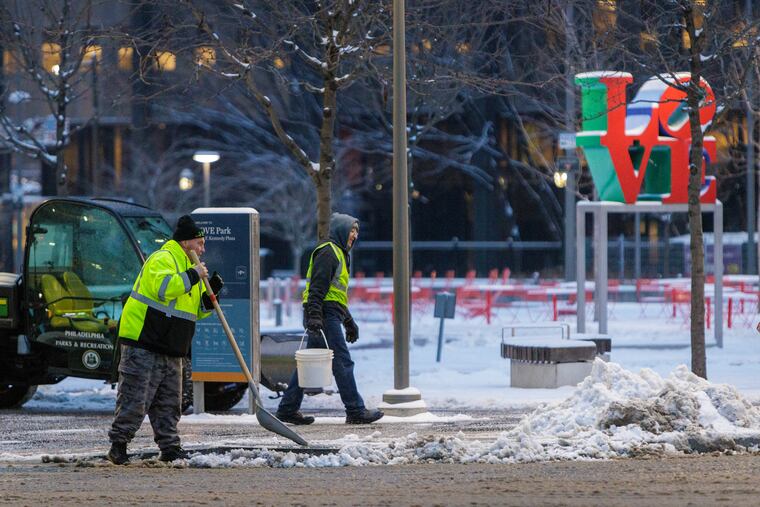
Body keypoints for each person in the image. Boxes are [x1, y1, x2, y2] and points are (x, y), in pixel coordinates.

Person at [107, 215, 223, 465]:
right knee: (135, 398)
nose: (202, 250)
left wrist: (209, 296)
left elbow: (195, 311)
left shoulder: (190, 269)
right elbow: (164, 288)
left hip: (172, 346)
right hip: (145, 341)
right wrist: (193, 275)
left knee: (169, 402)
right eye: (199, 243)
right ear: (185, 242)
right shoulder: (163, 259)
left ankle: (170, 447)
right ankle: (119, 445)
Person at [276, 212, 383, 425]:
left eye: (357, 231)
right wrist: (315, 316)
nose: (355, 235)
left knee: (309, 363)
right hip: (322, 314)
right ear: (341, 231)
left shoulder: (340, 253)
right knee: (342, 361)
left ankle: (287, 408)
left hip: (327, 313)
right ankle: (355, 410)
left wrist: (348, 320)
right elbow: (317, 288)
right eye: (351, 230)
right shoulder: (328, 252)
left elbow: (336, 295)